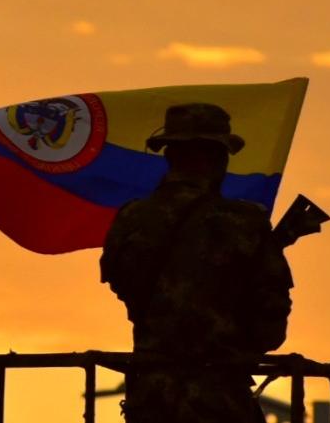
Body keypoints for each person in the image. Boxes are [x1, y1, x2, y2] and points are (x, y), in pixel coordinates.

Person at [99, 103, 292, 423]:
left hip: (151, 400)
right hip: (219, 400)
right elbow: (271, 325)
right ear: (217, 157)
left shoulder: (132, 218)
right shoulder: (244, 223)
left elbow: (125, 287)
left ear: (169, 155)